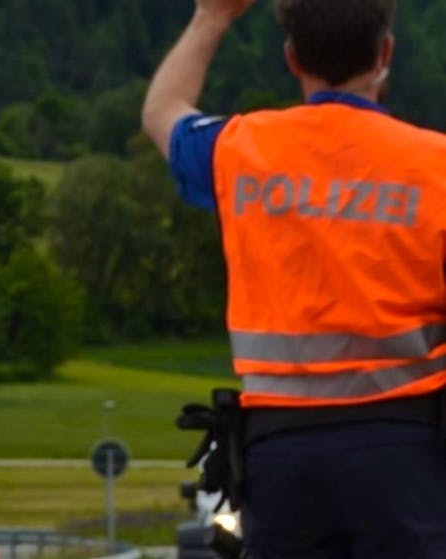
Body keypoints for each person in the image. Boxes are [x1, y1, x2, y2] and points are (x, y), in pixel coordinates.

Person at [142, 0, 446, 557]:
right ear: (385, 54)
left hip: (279, 454)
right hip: (402, 453)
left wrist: (211, 17)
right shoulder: (437, 165)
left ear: (291, 59)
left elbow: (162, 111)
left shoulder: (240, 149)